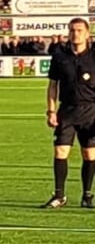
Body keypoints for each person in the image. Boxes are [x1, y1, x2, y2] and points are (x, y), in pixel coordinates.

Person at [42, 17, 95, 208]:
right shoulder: (60, 56)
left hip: (91, 110)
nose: (75, 34)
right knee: (60, 151)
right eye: (72, 30)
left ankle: (87, 196)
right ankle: (59, 196)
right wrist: (51, 110)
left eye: (79, 30)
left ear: (87, 33)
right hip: (67, 110)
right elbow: (52, 85)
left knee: (90, 155)